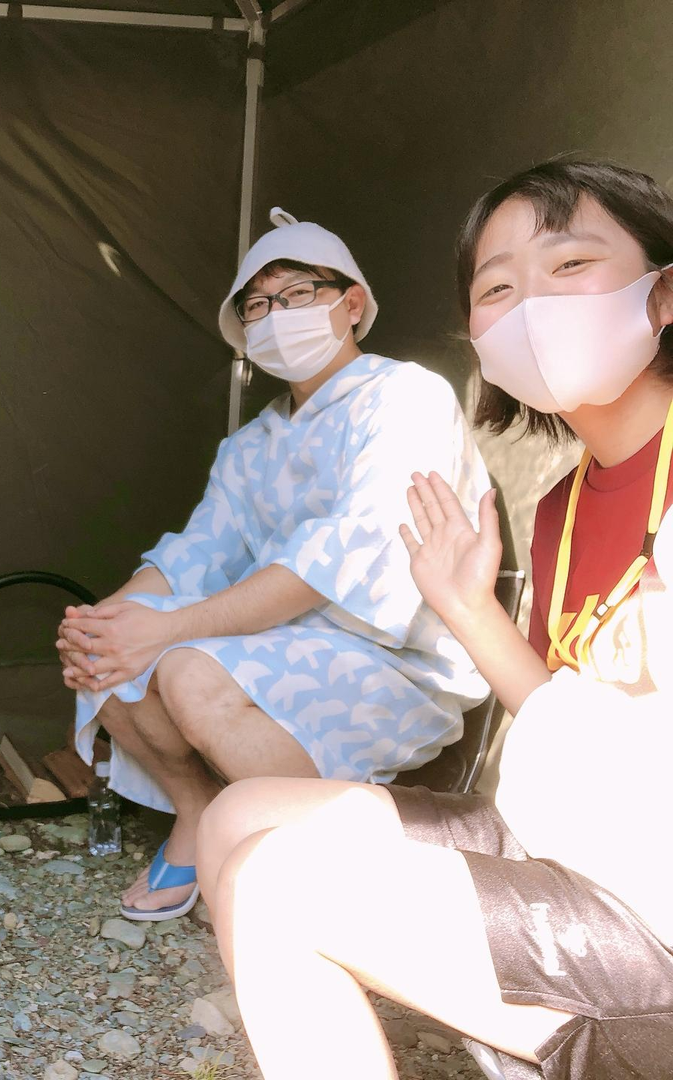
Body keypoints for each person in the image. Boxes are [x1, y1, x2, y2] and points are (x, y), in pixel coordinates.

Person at [197, 160, 673, 1080]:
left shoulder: (398, 397)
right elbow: (562, 716)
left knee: (274, 883)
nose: (532, 306)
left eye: (570, 265)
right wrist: (464, 603)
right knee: (237, 817)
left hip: (651, 901)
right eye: (497, 288)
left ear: (663, 295)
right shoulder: (565, 502)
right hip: (577, 835)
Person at [56, 209, 491, 922]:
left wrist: (162, 632)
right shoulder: (251, 444)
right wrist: (105, 622)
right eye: (257, 306)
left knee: (186, 670)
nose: (275, 316)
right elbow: (196, 553)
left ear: (353, 304)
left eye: (296, 294)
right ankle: (199, 812)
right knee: (108, 653)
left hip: (394, 655)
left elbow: (334, 559)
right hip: (280, 640)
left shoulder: (404, 397)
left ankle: (324, 864)